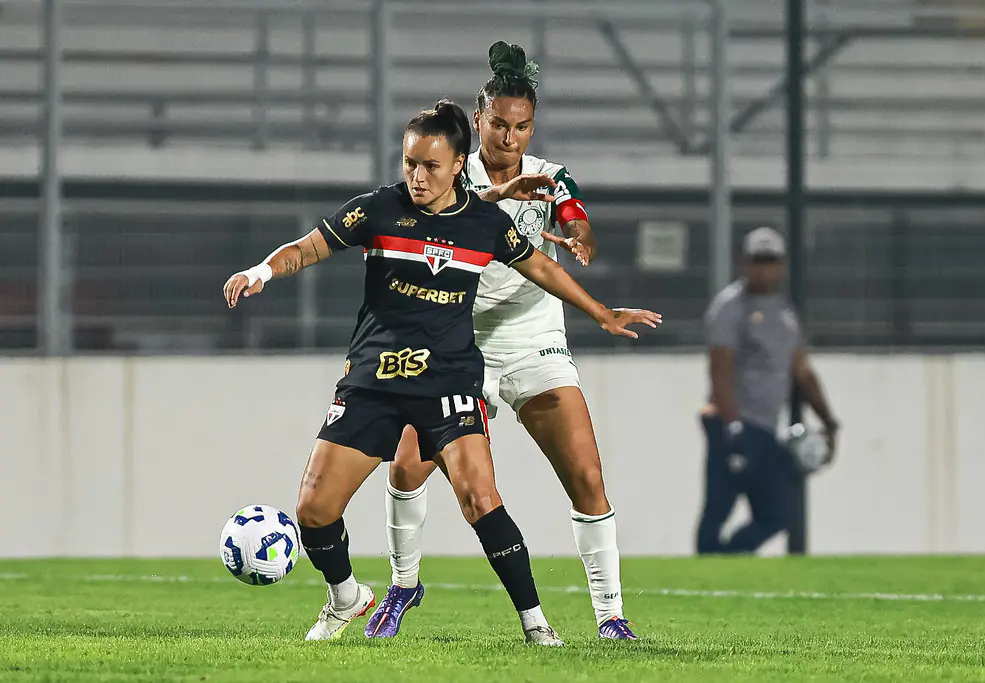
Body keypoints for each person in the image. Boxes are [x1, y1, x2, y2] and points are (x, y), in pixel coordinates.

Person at [222, 99, 661, 645]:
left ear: (457, 166)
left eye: (430, 166)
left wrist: (602, 313)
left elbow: (543, 269)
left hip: (448, 382)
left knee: (480, 497)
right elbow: (307, 248)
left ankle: (536, 624)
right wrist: (262, 270)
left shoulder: (484, 224)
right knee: (313, 510)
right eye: (410, 163)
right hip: (374, 380)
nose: (417, 176)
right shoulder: (378, 209)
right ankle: (347, 597)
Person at [364, 41, 639, 642]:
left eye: (522, 127)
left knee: (587, 476)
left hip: (533, 337)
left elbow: (577, 218)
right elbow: (449, 214)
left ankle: (611, 617)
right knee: (407, 465)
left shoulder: (549, 175)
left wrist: (580, 238)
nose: (510, 138)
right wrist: (499, 197)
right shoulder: (449, 171)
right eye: (499, 125)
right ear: (479, 119)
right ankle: (403, 585)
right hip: (457, 341)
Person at [695, 227, 840, 554]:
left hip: (764, 428)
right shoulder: (731, 306)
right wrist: (732, 424)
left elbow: (801, 370)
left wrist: (828, 420)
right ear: (744, 263)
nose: (764, 269)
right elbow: (720, 370)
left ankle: (728, 560)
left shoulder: (784, 311)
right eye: (758, 260)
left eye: (771, 261)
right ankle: (707, 569)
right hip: (732, 424)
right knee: (718, 508)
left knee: (776, 513)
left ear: (782, 265)